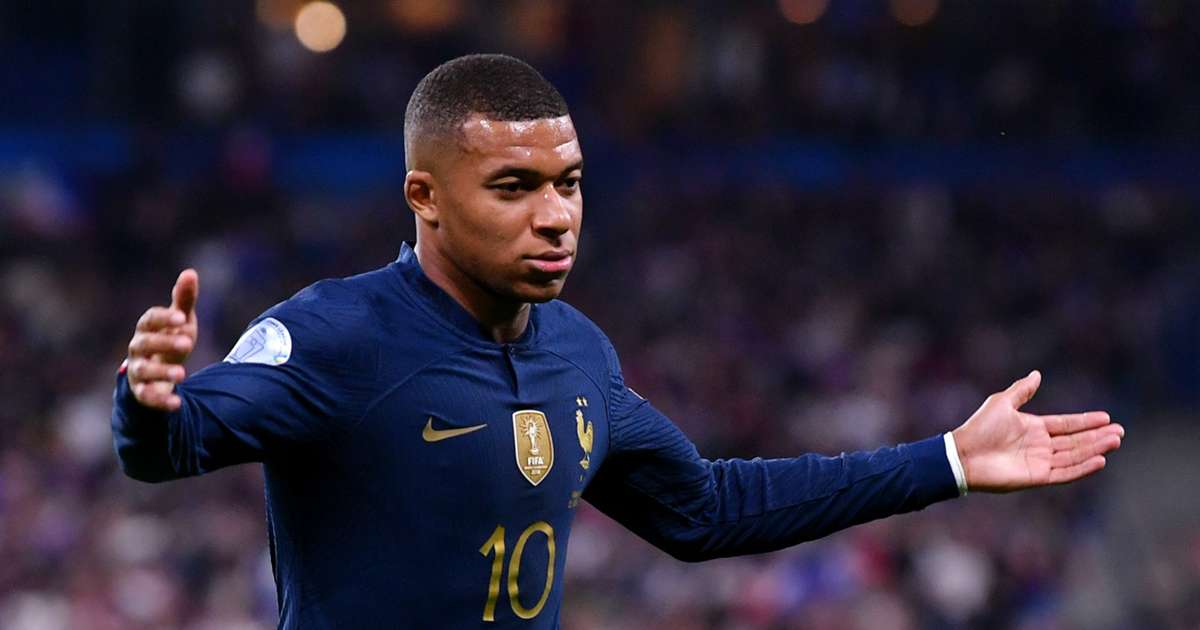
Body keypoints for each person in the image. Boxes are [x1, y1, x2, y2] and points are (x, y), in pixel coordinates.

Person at [112, 54, 1125, 629]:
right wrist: (146, 403)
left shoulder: (580, 357)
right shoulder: (334, 335)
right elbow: (175, 444)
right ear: (425, 196)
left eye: (569, 184)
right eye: (514, 187)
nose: (556, 215)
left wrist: (946, 461)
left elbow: (705, 510)